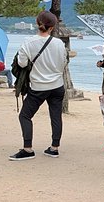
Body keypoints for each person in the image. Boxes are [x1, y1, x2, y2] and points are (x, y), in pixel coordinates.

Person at [9, 10, 67, 161]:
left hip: (39, 86)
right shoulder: (59, 43)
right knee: (56, 115)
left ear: (37, 23)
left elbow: (22, 63)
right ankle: (54, 148)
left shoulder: (28, 42)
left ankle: (28, 149)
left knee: (25, 116)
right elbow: (64, 63)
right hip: (57, 85)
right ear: (52, 27)